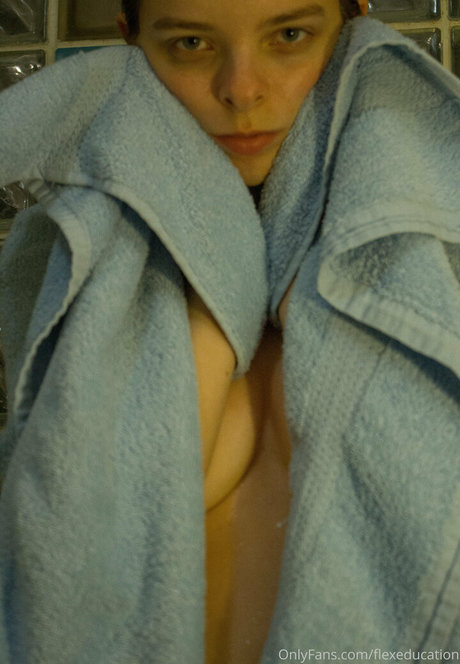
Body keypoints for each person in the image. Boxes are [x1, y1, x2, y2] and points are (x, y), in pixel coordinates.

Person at [0, 1, 459, 663]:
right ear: (132, 41)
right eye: (191, 44)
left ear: (353, 25)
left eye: (290, 36)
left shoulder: (432, 247)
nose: (242, 91)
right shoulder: (79, 254)